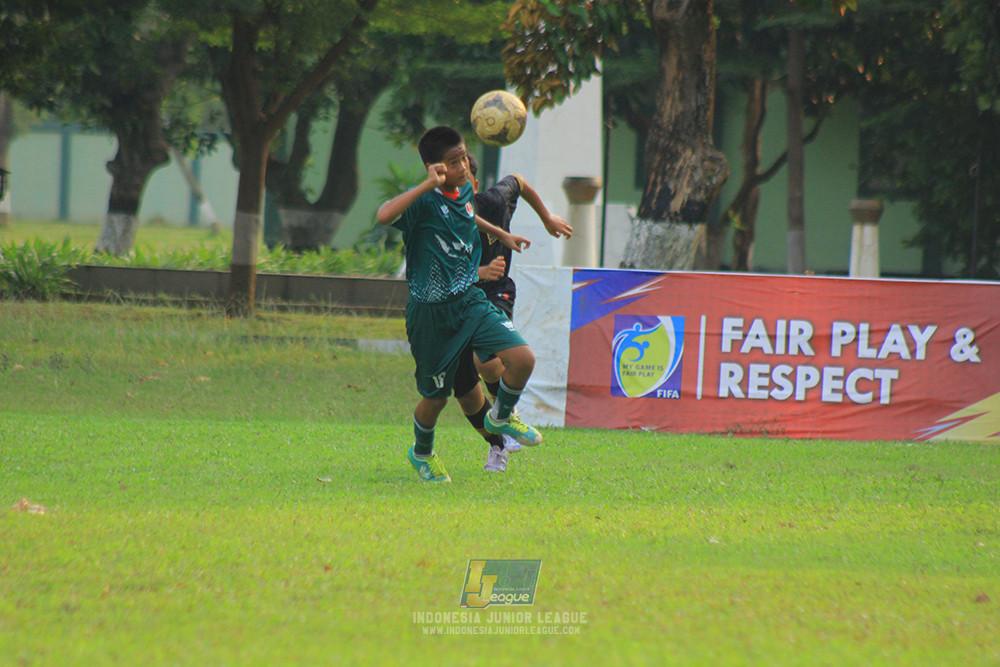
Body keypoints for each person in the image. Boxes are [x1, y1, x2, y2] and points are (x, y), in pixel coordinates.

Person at [375, 125, 542, 483]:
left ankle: (502, 414)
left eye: (464, 156)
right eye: (454, 162)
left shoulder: (465, 188)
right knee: (435, 399)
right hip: (431, 315)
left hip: (469, 300)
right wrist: (425, 186)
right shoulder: (421, 203)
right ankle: (421, 453)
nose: (464, 166)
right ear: (435, 168)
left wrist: (500, 234)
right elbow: (384, 216)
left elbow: (466, 213)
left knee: (522, 359)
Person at [459, 154, 573, 472]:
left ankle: (506, 414)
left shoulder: (494, 202)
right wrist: (477, 272)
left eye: (463, 179)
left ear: (475, 184)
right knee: (466, 391)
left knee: (487, 359)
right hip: (455, 300)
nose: (458, 187)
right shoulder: (440, 217)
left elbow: (519, 182)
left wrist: (547, 217)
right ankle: (499, 442)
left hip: (496, 294)